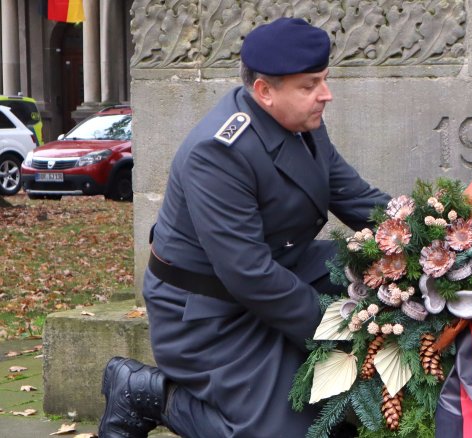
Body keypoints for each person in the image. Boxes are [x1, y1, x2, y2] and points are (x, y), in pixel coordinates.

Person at [98, 17, 390, 437]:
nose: (325, 95)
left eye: (323, 80)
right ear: (264, 91)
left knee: (383, 275)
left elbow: (358, 199)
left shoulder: (301, 123)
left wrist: (442, 231)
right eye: (310, 85)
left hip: (279, 275)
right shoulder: (218, 153)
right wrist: (337, 330)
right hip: (207, 313)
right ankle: (148, 393)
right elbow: (248, 274)